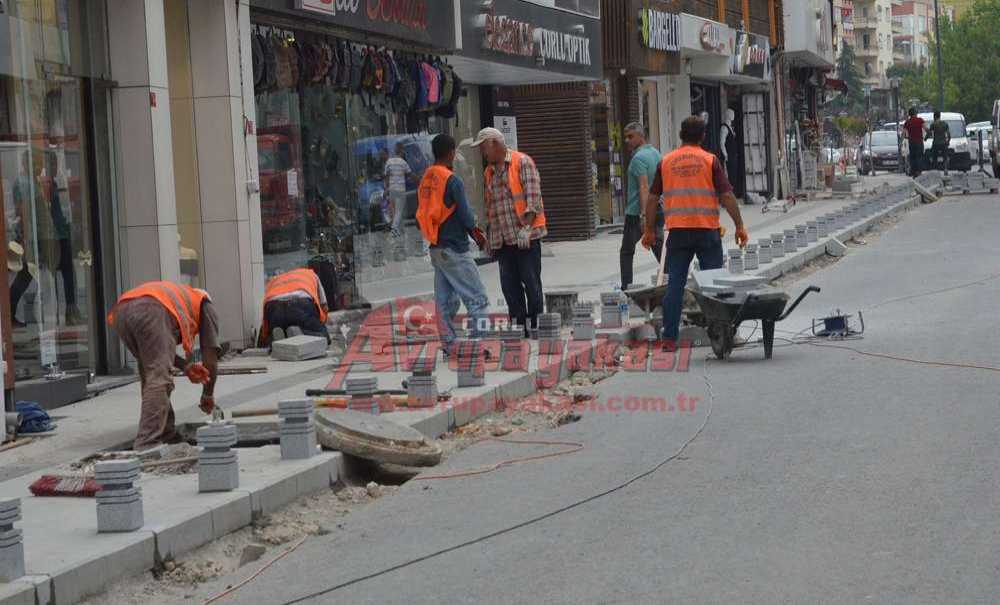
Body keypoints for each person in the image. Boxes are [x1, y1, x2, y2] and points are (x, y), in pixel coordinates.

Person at [643, 115, 748, 350]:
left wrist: (649, 230)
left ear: (681, 134)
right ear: (702, 136)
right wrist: (739, 225)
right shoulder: (709, 160)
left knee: (675, 286)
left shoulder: (666, 161)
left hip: (678, 232)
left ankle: (669, 339)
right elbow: (727, 196)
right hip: (706, 231)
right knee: (715, 284)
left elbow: (651, 199)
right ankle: (723, 333)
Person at [107, 281, 221, 451]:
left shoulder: (180, 299)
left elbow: (159, 350)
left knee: (151, 374)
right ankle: (147, 443)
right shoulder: (206, 306)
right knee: (159, 379)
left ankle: (166, 432)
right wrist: (208, 395)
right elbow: (210, 358)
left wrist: (185, 366)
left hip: (122, 312)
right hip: (149, 308)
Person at [416, 134, 490, 351]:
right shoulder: (451, 180)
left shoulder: (427, 179)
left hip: (437, 249)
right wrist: (478, 235)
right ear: (451, 153)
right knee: (477, 297)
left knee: (446, 301)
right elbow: (466, 216)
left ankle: (449, 345)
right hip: (455, 247)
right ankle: (479, 343)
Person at [472, 127, 547, 337]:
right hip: (503, 240)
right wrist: (489, 239)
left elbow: (533, 198)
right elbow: (492, 208)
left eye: (483, 148)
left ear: (494, 144)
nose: (482, 154)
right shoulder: (489, 172)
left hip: (525, 238)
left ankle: (536, 324)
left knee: (531, 283)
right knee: (510, 287)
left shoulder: (521, 162)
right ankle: (518, 327)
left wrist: (526, 228)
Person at [620, 122, 664, 290]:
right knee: (658, 246)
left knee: (626, 251)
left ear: (640, 136)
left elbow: (643, 187)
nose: (627, 141)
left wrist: (644, 216)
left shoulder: (638, 158)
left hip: (637, 212)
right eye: (626, 137)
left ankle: (626, 288)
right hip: (658, 208)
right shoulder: (656, 154)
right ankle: (672, 278)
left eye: (630, 137)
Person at [260, 267, 329, 347]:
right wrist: (320, 323)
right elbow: (324, 306)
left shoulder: (276, 279)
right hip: (299, 304)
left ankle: (276, 338)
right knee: (324, 336)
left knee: (280, 329)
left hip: (273, 306)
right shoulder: (312, 274)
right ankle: (300, 333)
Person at [383, 142, 412, 235]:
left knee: (395, 210)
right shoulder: (403, 162)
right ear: (402, 151)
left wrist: (386, 189)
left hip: (392, 190)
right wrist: (419, 180)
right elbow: (410, 174)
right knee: (399, 210)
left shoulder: (389, 162)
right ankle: (394, 229)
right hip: (400, 190)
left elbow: (386, 176)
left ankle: (400, 229)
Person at [902, 108, 927, 177]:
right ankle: (919, 171)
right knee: (919, 156)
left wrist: (904, 139)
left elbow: (903, 133)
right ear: (916, 113)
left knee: (912, 157)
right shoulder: (920, 120)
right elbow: (926, 128)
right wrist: (927, 136)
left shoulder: (907, 122)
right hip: (919, 142)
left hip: (911, 142)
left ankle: (913, 171)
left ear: (909, 114)